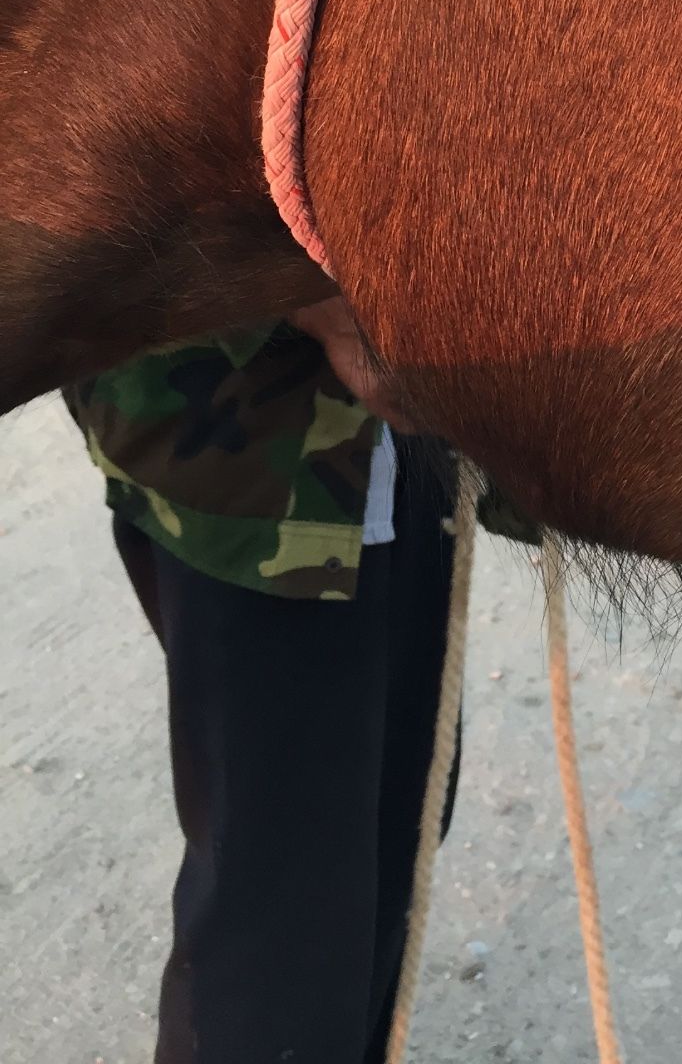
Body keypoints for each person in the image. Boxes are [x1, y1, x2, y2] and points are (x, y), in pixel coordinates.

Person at [64, 299, 458, 1064]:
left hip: (396, 439)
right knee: (282, 914)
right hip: (248, 468)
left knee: (395, 827)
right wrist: (317, 294)